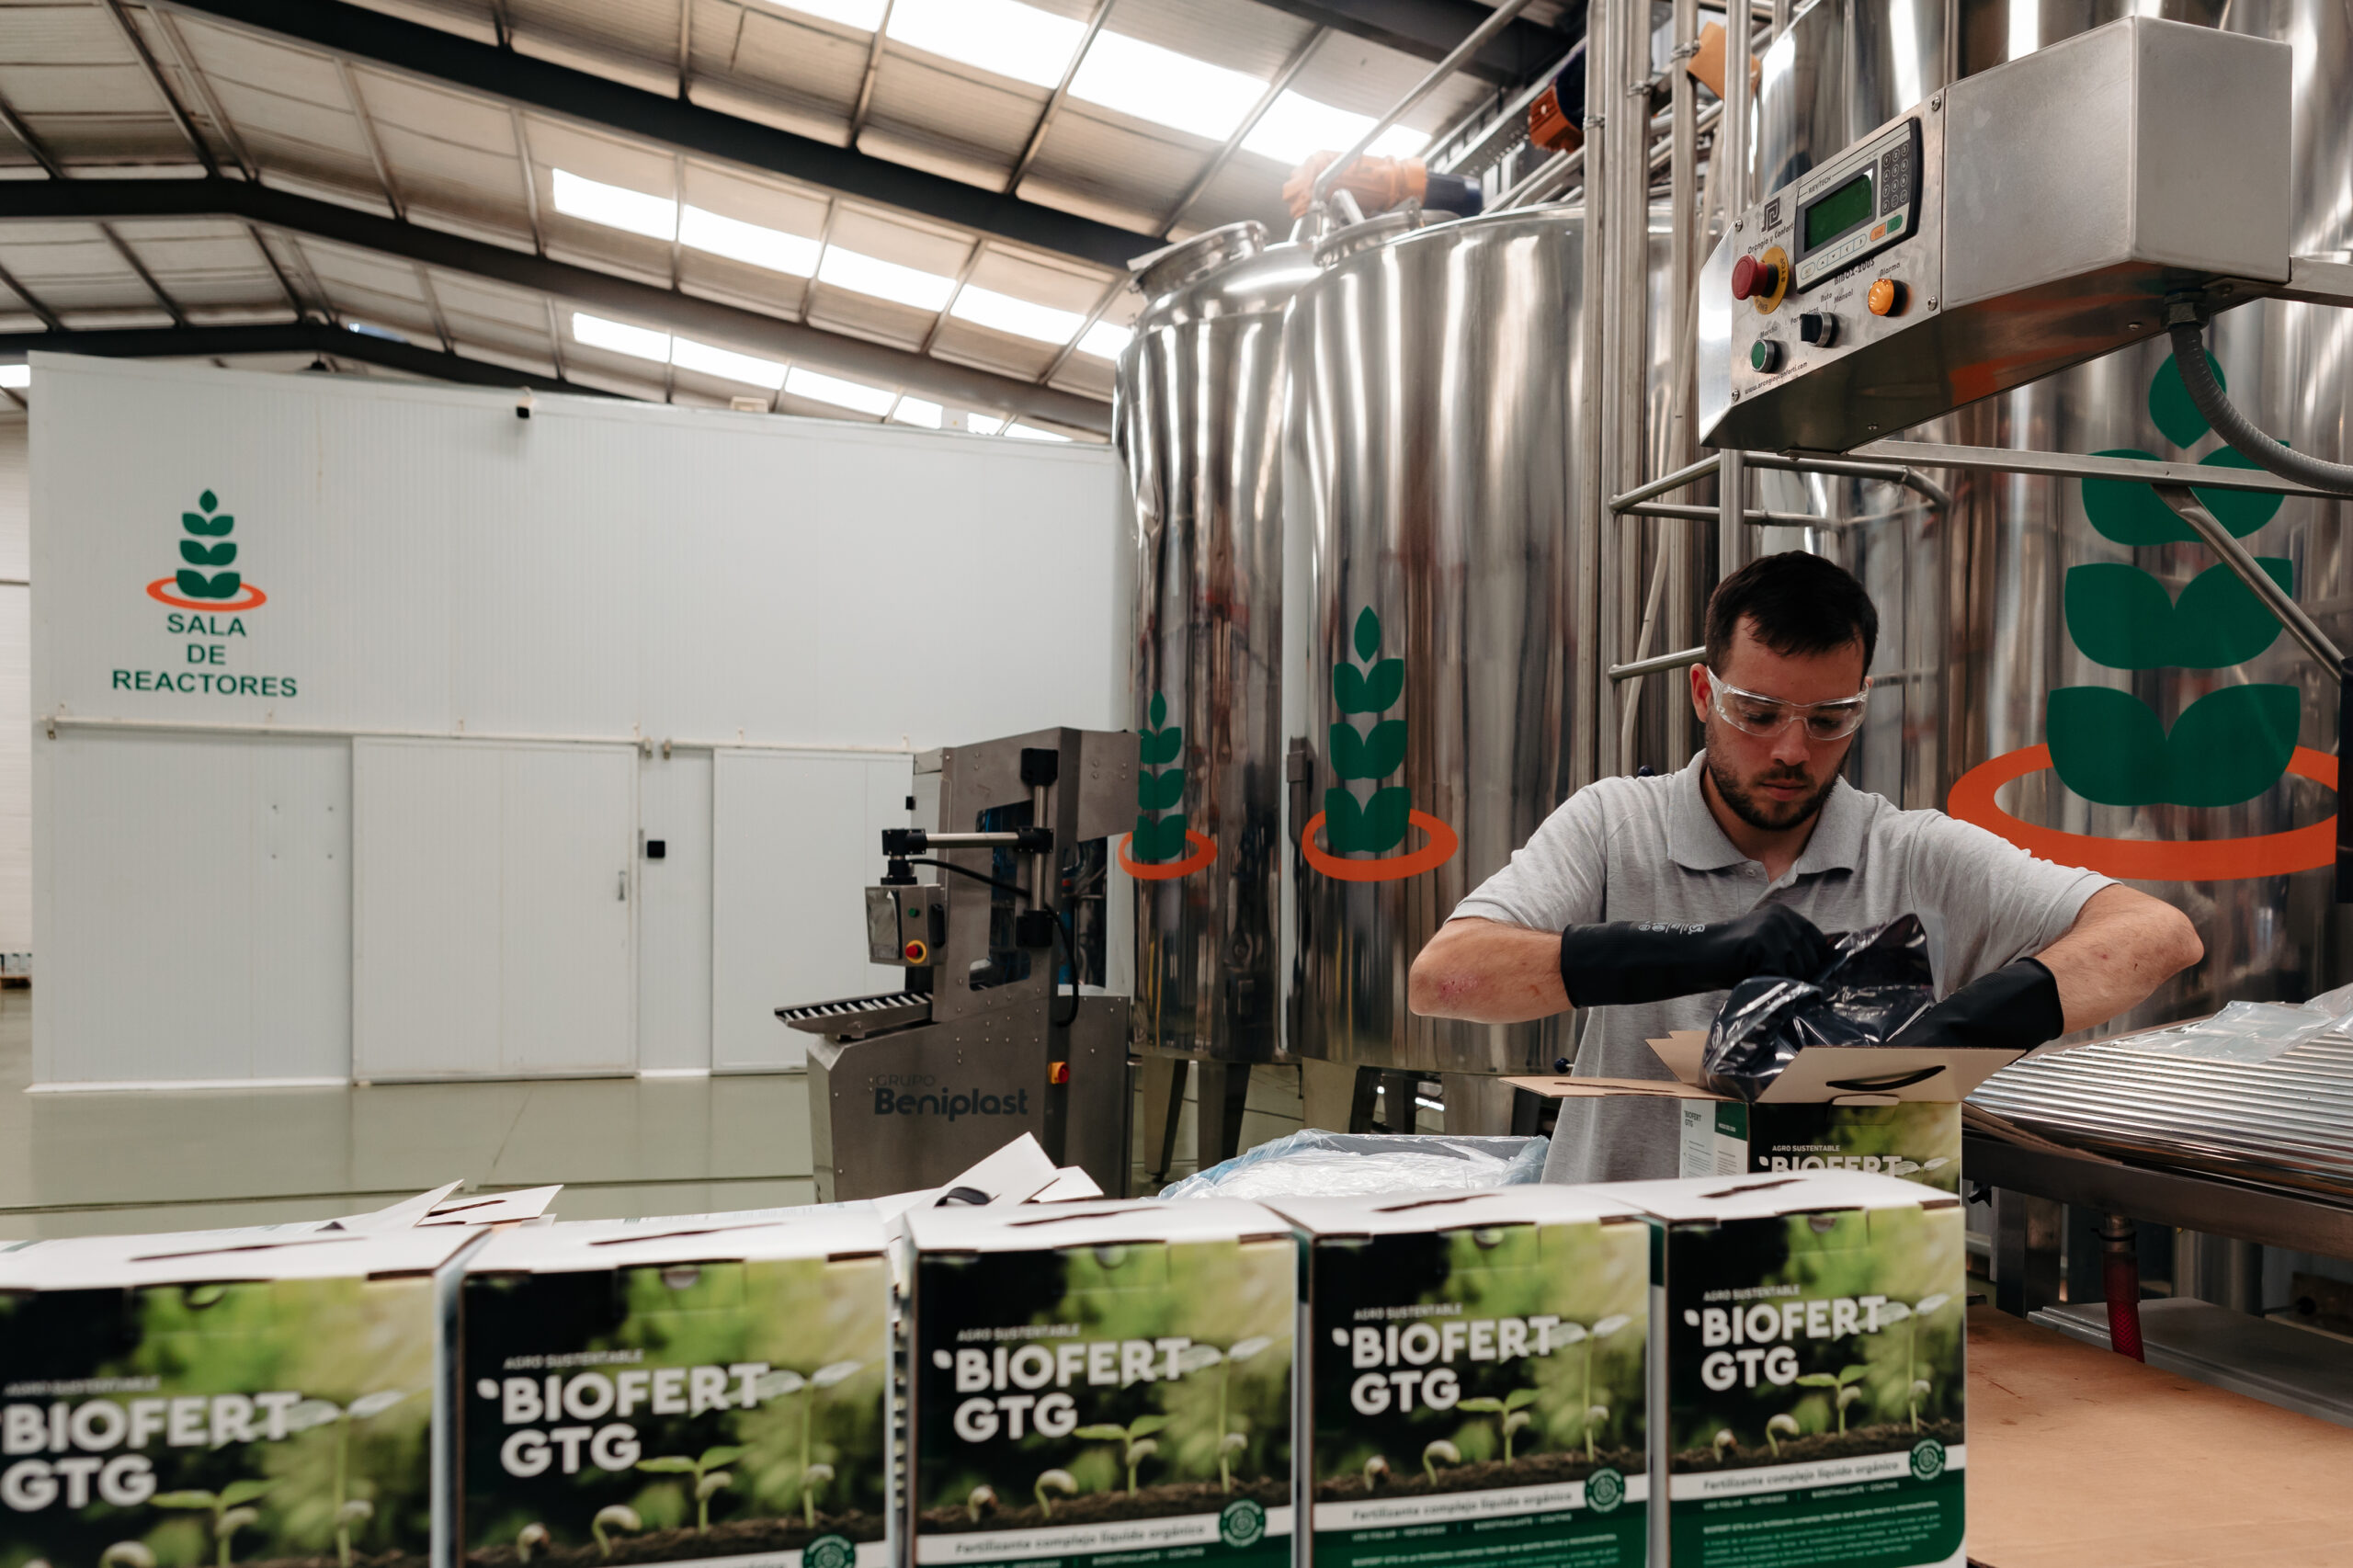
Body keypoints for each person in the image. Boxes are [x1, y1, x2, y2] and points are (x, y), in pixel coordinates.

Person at [1406, 551, 2204, 1183]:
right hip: (1617, 1283)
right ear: (1701, 694)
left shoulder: (1913, 852)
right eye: (1757, 715)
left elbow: (2158, 933)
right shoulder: (1616, 826)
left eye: (1829, 721)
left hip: (1836, 1291)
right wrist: (1702, 946)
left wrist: (1965, 1027)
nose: (1792, 751)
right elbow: (1444, 978)